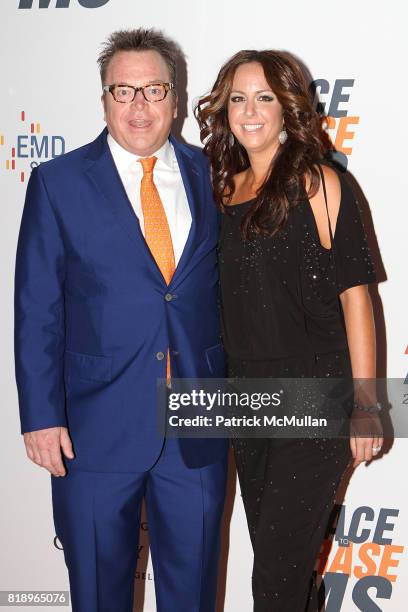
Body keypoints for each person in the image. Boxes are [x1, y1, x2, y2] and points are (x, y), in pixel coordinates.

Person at [14, 28, 228, 612]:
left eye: (154, 90)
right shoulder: (58, 185)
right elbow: (37, 309)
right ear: (104, 99)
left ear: (176, 99)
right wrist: (40, 415)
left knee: (194, 595)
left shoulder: (213, 176)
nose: (139, 106)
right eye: (123, 91)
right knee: (98, 595)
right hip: (91, 432)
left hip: (198, 429)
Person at [196, 50, 383, 611]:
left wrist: (369, 404)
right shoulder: (222, 190)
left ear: (288, 107)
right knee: (290, 571)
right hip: (245, 402)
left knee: (274, 580)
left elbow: (357, 299)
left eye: (265, 97)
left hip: (315, 398)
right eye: (237, 98)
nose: (250, 111)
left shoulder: (319, 183)